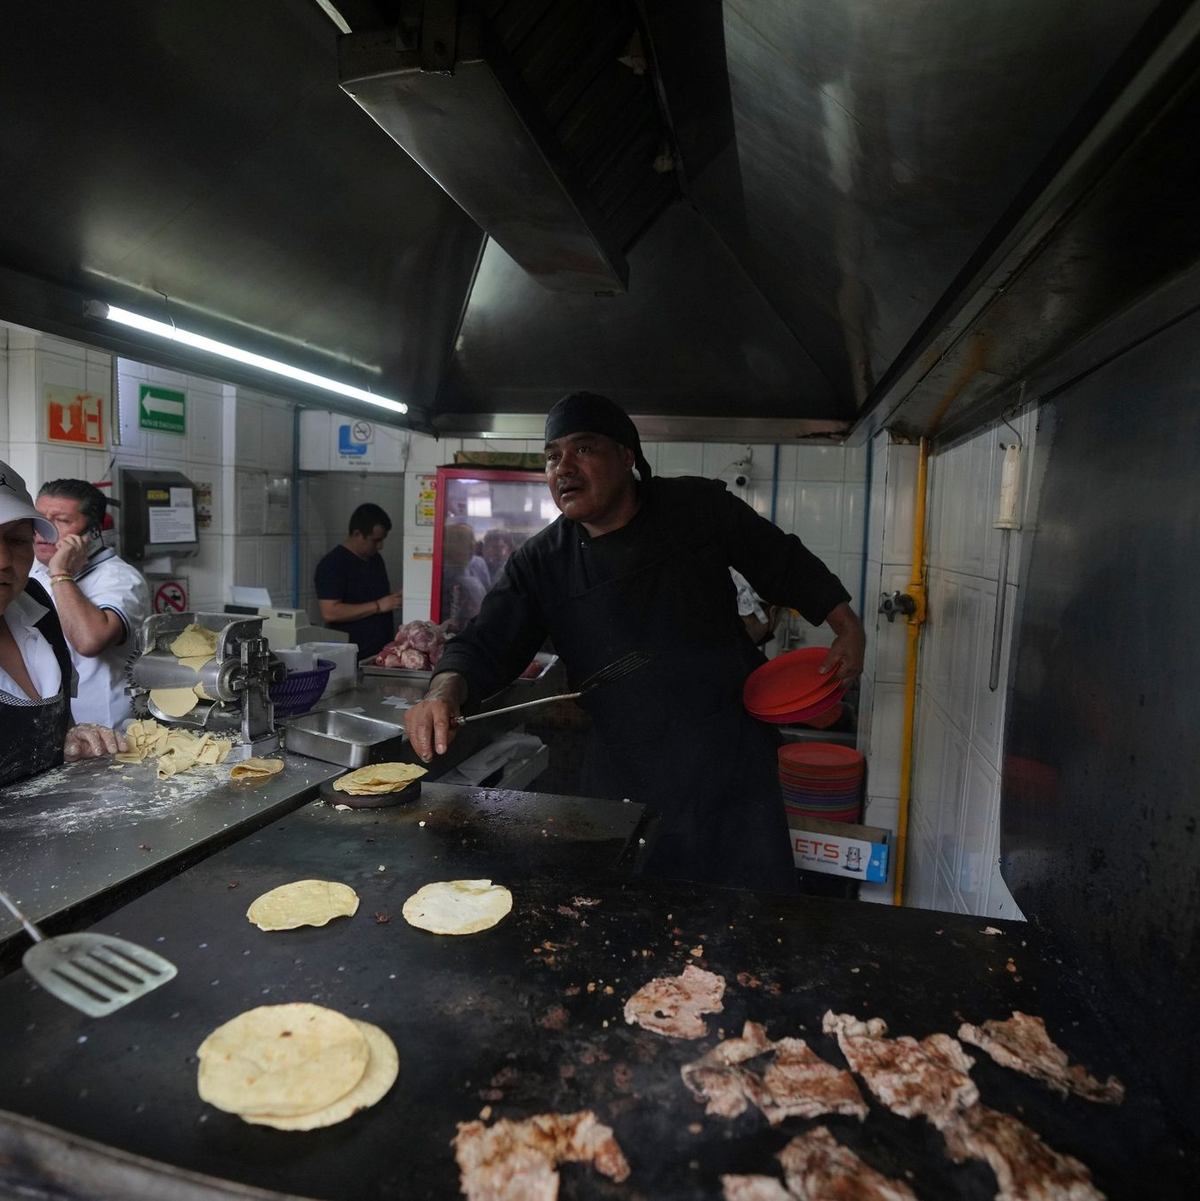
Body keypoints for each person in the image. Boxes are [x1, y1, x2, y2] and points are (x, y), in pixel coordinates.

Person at [404, 392, 866, 893]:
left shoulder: (696, 508)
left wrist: (847, 626)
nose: (564, 467)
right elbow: (485, 643)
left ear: (626, 456)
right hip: (624, 775)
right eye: (553, 455)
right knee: (624, 927)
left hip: (729, 765)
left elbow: (783, 563)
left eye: (583, 449)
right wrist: (442, 692)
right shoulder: (541, 562)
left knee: (752, 921)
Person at [0, 461, 125, 787]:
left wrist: (63, 745)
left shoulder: (36, 604)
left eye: (16, 540)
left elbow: (39, 732)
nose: (3, 561)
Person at [30, 479, 150, 727]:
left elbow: (89, 640)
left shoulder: (120, 579)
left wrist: (61, 572)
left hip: (106, 729)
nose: (43, 531)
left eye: (61, 520)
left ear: (92, 532)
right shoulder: (37, 574)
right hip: (53, 726)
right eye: (38, 519)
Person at [314, 503, 403, 660]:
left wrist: (395, 599)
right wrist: (378, 606)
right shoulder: (333, 564)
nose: (380, 546)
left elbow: (377, 598)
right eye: (375, 540)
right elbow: (329, 612)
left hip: (378, 652)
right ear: (357, 534)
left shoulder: (375, 559)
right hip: (352, 655)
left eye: (382, 540)